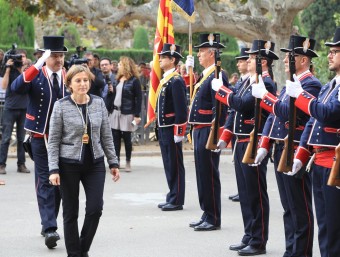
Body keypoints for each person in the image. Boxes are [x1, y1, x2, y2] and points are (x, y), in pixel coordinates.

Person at [252, 35, 322, 257]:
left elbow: (287, 113)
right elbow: (275, 117)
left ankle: (301, 252)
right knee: (288, 207)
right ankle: (291, 249)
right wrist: (266, 141)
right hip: (282, 149)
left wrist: (266, 97)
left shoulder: (311, 84)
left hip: (295, 150)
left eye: (289, 56)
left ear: (302, 60)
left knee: (300, 208)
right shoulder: (291, 84)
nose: (284, 60)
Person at [212, 39, 278, 255]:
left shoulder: (265, 83)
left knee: (256, 193)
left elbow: (241, 104)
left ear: (263, 62)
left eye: (252, 57)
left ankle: (259, 240)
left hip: (253, 142)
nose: (248, 60)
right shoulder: (249, 81)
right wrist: (225, 136)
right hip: (240, 142)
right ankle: (249, 234)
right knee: (245, 192)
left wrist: (222, 91)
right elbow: (235, 112)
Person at [48, 64, 120, 257]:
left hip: (95, 163)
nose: (82, 84)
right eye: (78, 80)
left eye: (85, 80)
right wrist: (53, 169)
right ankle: (74, 253)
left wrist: (113, 163)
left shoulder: (98, 103)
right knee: (70, 212)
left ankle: (83, 247)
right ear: (69, 84)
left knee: (95, 208)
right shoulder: (61, 106)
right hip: (67, 164)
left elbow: (106, 136)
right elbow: (53, 141)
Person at [285, 27, 340, 257]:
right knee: (325, 225)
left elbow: (329, 113)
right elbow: (313, 123)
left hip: (334, 162)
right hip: (318, 162)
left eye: (336, 51)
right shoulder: (329, 86)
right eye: (331, 51)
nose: (330, 55)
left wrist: (301, 96)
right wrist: (301, 154)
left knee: (334, 229)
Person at [11, 36, 69, 249]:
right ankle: (50, 227)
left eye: (61, 55)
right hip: (40, 136)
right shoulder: (37, 74)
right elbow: (16, 88)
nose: (59, 59)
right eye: (54, 55)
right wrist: (37, 64)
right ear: (46, 56)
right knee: (45, 179)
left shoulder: (67, 75)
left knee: (59, 181)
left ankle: (47, 221)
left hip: (63, 138)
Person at [185, 33, 228, 231]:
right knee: (202, 174)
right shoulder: (206, 74)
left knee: (209, 174)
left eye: (201, 52)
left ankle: (213, 217)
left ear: (212, 54)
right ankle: (206, 212)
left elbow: (219, 108)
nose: (199, 56)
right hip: (199, 129)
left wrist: (216, 132)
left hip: (208, 130)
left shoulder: (218, 74)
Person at [156, 43, 187, 211]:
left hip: (171, 128)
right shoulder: (167, 79)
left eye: (163, 57)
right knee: (168, 163)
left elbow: (181, 110)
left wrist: (179, 131)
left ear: (172, 59)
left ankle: (177, 199)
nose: (160, 59)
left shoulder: (175, 81)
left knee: (175, 164)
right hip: (163, 127)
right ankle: (172, 195)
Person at [105, 56, 142, 172]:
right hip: (115, 112)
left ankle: (128, 161)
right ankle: (116, 161)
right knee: (115, 138)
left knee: (127, 139)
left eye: (120, 64)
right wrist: (111, 92)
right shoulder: (117, 79)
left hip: (127, 112)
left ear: (125, 65)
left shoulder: (134, 81)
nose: (118, 66)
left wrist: (136, 115)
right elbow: (113, 96)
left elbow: (139, 98)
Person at [0, 49, 31, 174]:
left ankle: (21, 164)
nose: (21, 59)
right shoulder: (10, 69)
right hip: (10, 108)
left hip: (24, 108)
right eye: (19, 57)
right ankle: (1, 165)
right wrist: (8, 68)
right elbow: (3, 85)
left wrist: (23, 70)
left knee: (21, 138)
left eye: (23, 57)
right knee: (6, 138)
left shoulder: (28, 71)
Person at [228, 47, 251, 203]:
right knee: (240, 171)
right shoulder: (243, 82)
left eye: (242, 61)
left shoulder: (261, 82)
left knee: (252, 189)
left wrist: (224, 90)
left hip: (248, 133)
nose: (239, 64)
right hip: (238, 129)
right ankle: (240, 190)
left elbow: (241, 104)